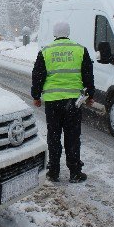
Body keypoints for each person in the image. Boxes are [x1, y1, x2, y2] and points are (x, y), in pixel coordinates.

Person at [31, 21, 95, 183]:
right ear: (68, 33)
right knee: (72, 136)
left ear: (54, 33)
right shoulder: (80, 50)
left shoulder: (46, 51)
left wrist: (36, 96)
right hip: (73, 102)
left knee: (53, 136)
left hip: (53, 103)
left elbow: (38, 75)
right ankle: (75, 172)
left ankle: (53, 172)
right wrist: (90, 96)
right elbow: (88, 75)